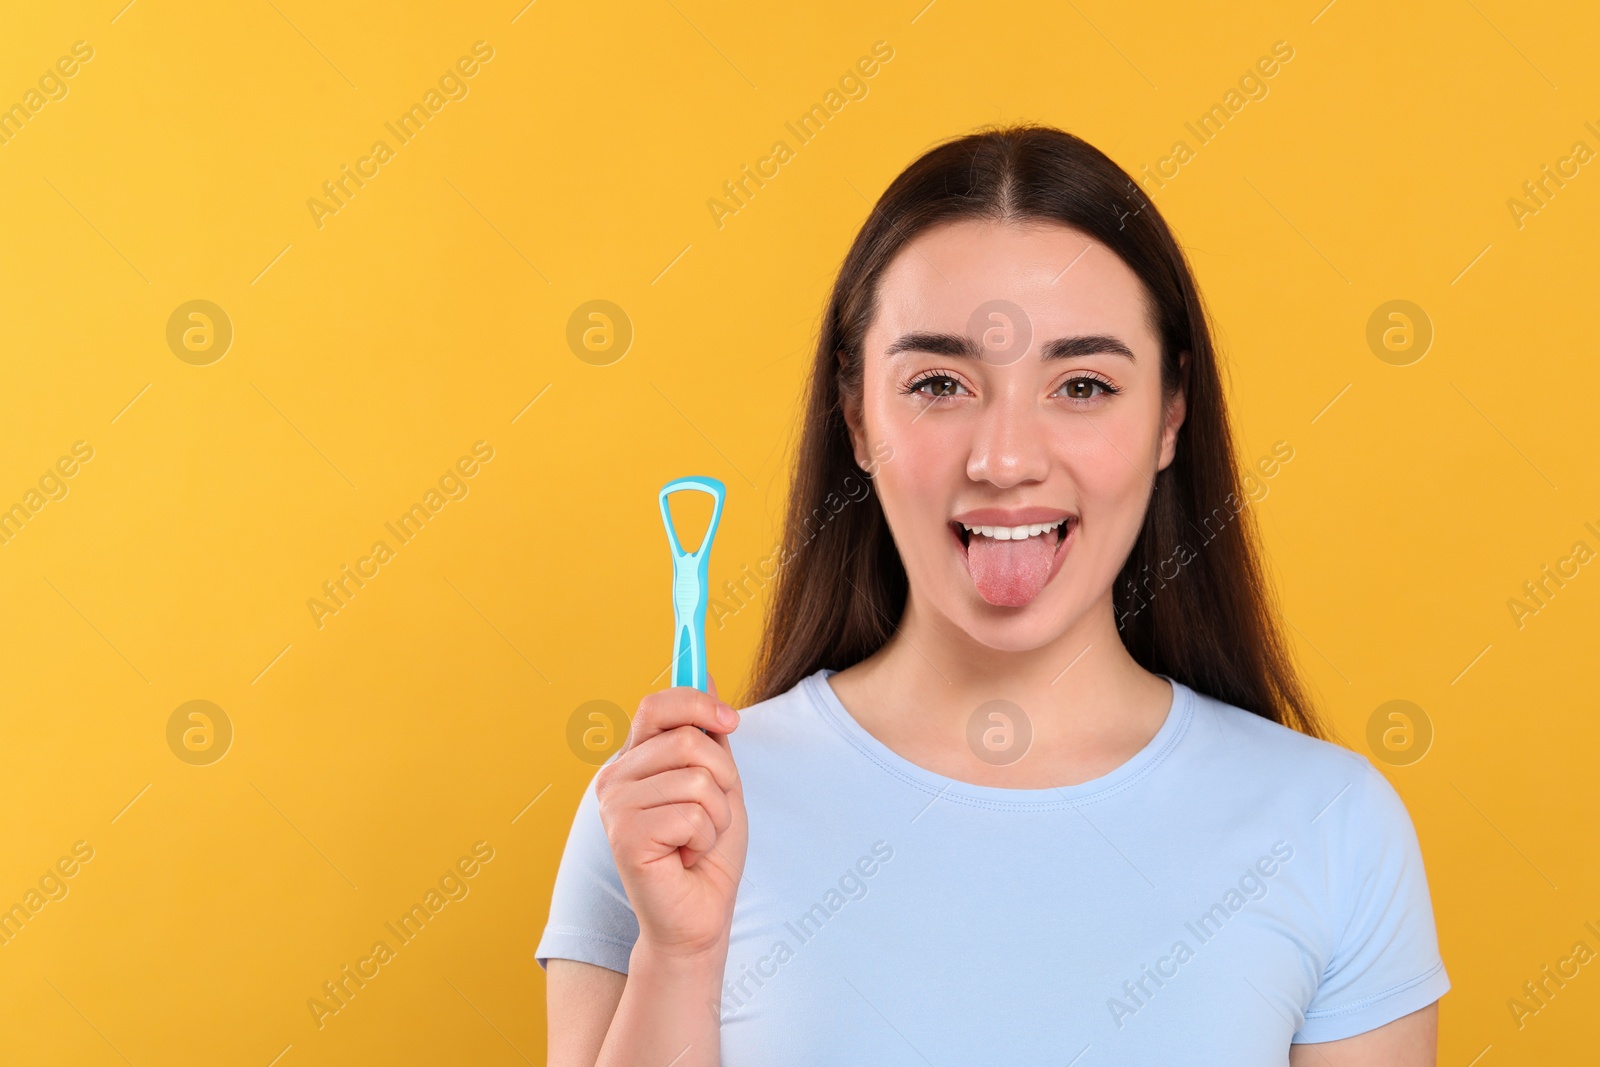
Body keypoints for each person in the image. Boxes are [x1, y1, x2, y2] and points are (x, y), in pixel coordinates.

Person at [538, 124, 1448, 1066]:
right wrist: (682, 957)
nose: (1005, 459)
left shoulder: (1330, 826)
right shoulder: (669, 815)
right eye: (939, 383)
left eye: (1083, 384)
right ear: (856, 416)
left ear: (1171, 415)